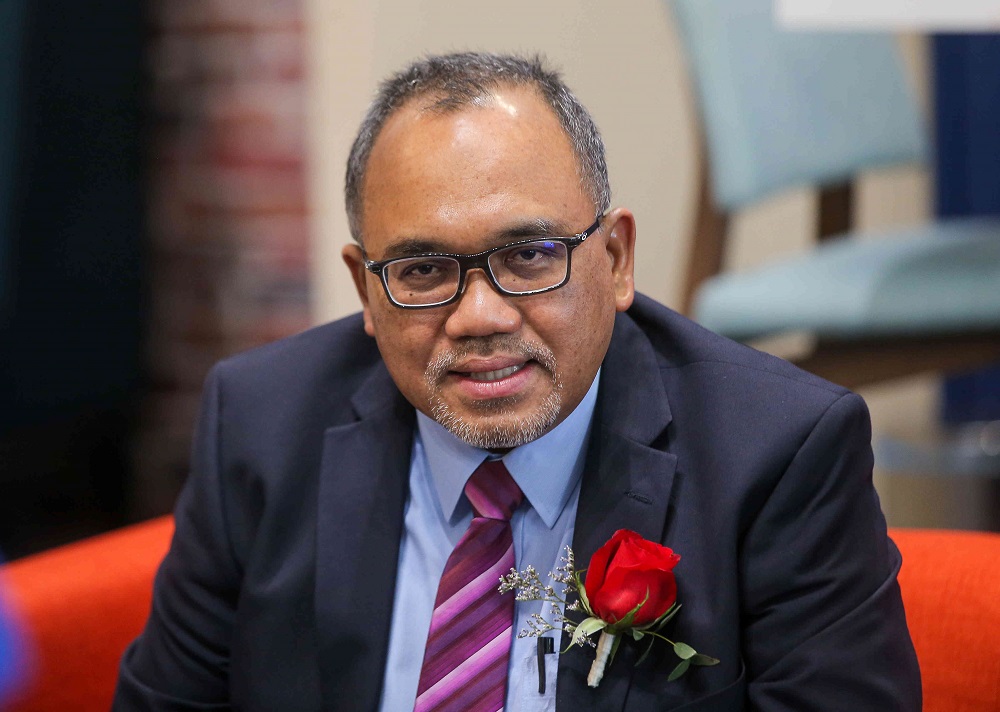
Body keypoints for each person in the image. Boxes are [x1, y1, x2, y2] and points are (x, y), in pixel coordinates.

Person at [113, 52, 920, 711]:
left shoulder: (776, 454)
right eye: (424, 269)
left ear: (615, 260)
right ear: (366, 291)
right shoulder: (260, 424)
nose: (481, 315)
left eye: (528, 255)